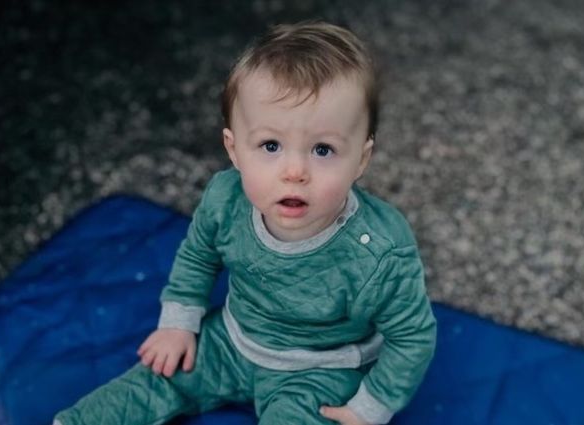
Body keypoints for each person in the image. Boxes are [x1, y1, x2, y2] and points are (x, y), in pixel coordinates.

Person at [54, 21, 436, 425]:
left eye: (323, 149)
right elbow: (199, 255)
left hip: (321, 370)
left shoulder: (377, 250)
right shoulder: (226, 198)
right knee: (157, 378)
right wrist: (178, 323)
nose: (294, 171)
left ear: (361, 158)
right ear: (234, 150)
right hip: (231, 342)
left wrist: (371, 406)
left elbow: (412, 336)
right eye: (270, 145)